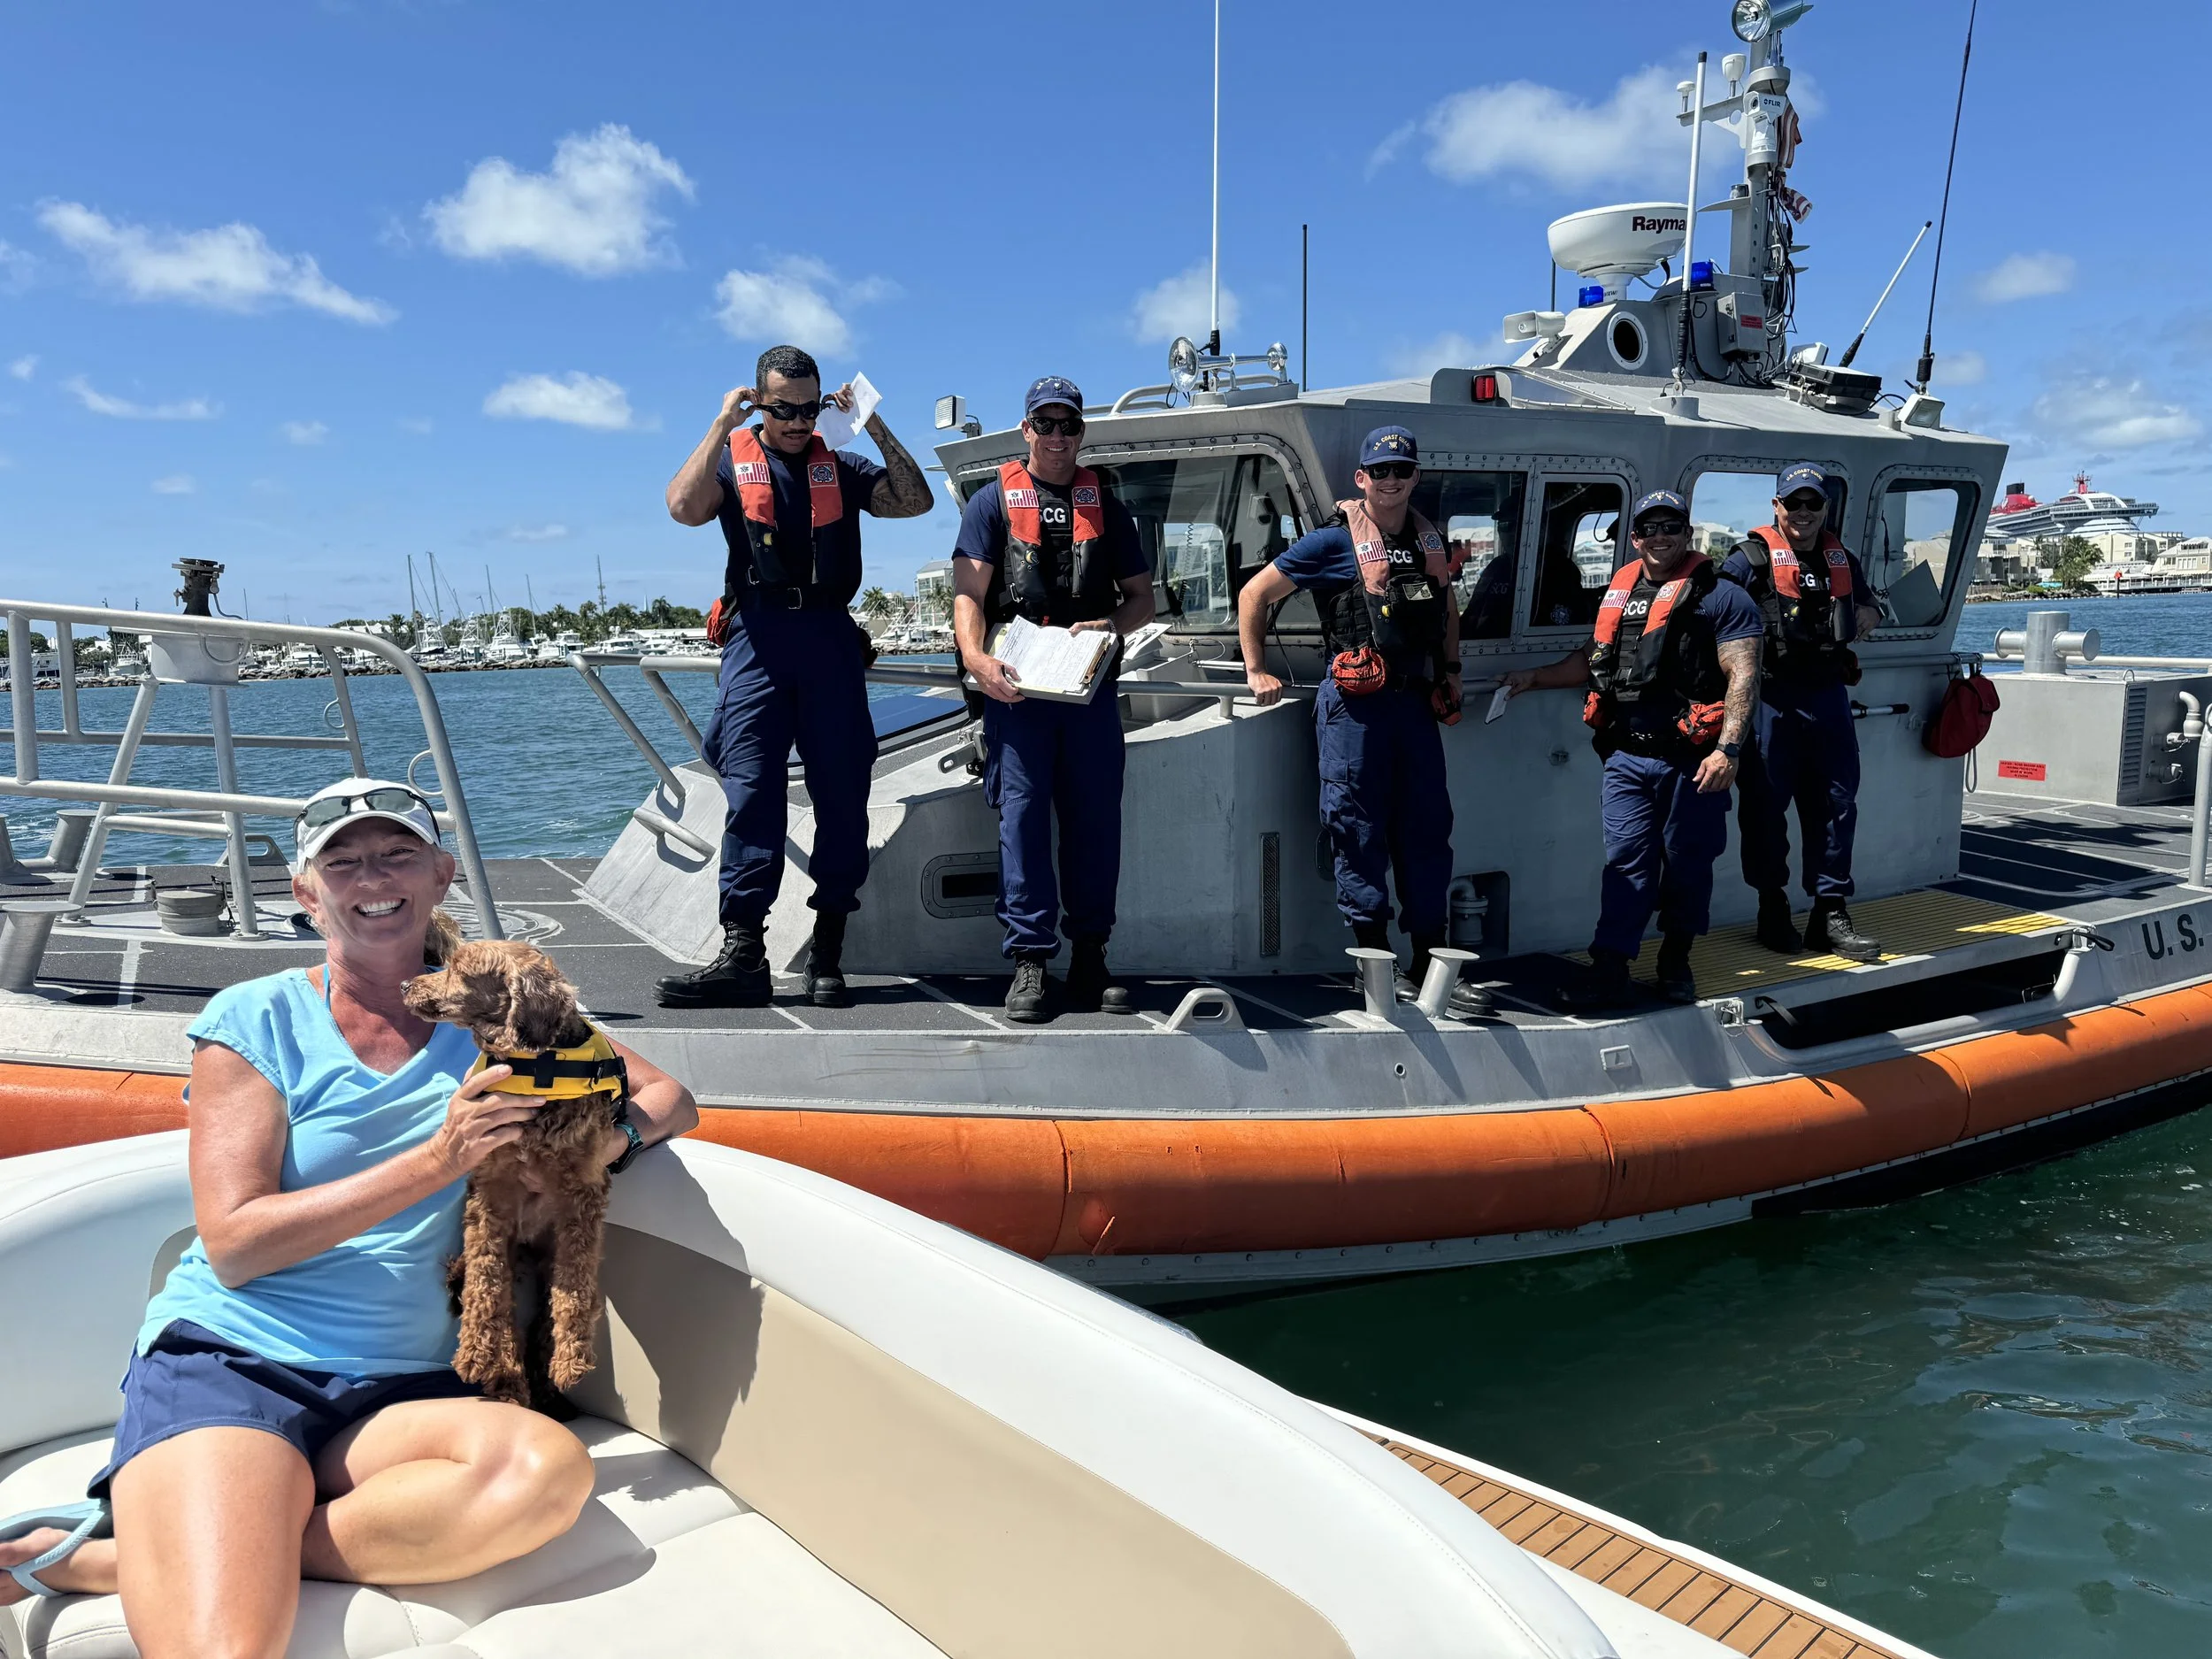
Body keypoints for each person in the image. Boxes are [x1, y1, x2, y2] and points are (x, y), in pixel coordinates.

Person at [0, 778, 699, 1656]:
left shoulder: (504, 1010)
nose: (374, 875)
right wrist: (441, 1161)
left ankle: (118, 1558)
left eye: (398, 853)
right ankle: (193, 1546)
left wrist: (604, 1147)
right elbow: (236, 1244)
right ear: (306, 892)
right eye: (343, 860)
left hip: (406, 1384)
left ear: (441, 875)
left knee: (543, 1475)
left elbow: (669, 1096)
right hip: (244, 1363)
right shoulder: (253, 1020)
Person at [657, 343, 935, 1010]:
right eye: (784, 408)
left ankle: (829, 952)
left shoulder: (839, 464)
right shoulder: (732, 456)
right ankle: (743, 954)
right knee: (751, 793)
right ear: (760, 401)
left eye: (810, 408)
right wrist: (722, 423)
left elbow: (915, 501)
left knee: (843, 794)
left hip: (829, 639)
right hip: (757, 637)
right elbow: (682, 507)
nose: (799, 421)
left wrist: (869, 420)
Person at [1240, 426, 1492, 1018]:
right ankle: (1375, 962)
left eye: (1401, 469)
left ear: (1415, 476)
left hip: (1415, 705)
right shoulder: (1332, 542)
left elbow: (1447, 608)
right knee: (1357, 828)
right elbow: (1256, 594)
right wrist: (1256, 669)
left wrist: (1451, 671)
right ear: (1361, 478)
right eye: (1380, 471)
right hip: (1355, 707)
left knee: (1427, 830)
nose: (1391, 480)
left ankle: (1429, 961)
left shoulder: (1429, 539)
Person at [1503, 491, 1763, 1008]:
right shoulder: (1620, 595)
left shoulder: (1724, 598)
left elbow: (1744, 673)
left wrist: (1728, 750)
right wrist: (1533, 677)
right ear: (1635, 537)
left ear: (1686, 535)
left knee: (1689, 864)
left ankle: (1676, 957)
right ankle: (1610, 966)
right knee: (1626, 863)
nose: (1659, 536)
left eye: (1671, 527)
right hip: (1626, 758)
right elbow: (1590, 659)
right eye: (1648, 528)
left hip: (1695, 762)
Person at [952, 376, 1156, 1023]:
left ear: (1081, 433)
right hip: (1018, 693)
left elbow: (1141, 599)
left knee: (1097, 822)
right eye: (1047, 423)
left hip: (1089, 689)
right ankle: (1031, 961)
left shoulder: (1110, 507)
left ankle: (1091, 955)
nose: (1060, 435)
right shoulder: (990, 504)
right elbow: (967, 595)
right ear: (1027, 430)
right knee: (1022, 820)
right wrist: (978, 661)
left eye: (1070, 424)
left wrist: (1110, 626)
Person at [1719, 462, 1886, 962]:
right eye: (1795, 503)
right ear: (1778, 507)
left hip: (1828, 697)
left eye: (1814, 503)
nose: (1805, 512)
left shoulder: (1843, 559)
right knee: (1766, 809)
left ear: (1825, 508)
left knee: (1837, 804)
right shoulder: (1747, 561)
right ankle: (1772, 907)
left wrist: (1871, 612)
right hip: (1771, 700)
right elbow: (1712, 617)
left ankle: (1829, 912)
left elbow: (1871, 602)